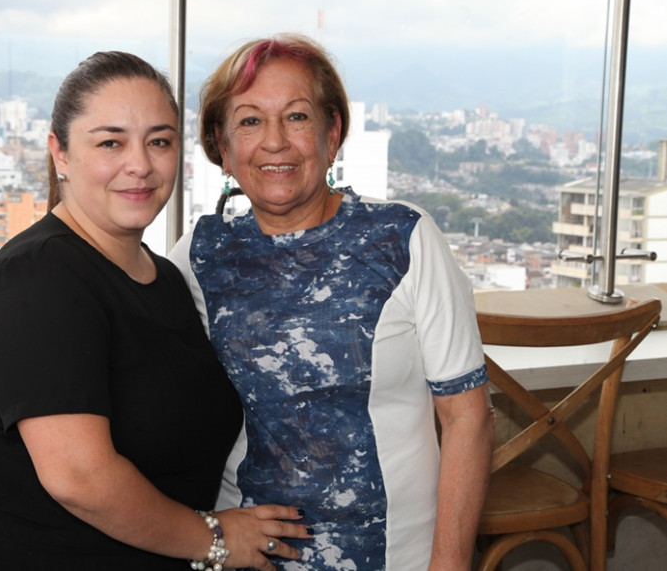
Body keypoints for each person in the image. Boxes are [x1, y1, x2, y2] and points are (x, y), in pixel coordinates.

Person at [0, 51, 310, 570]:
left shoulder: (165, 278)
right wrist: (215, 540)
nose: (141, 164)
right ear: (59, 153)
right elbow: (80, 479)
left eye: (159, 141)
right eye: (111, 142)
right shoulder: (38, 278)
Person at [169, 34, 494, 570]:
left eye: (296, 117)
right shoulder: (202, 254)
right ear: (222, 149)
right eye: (249, 121)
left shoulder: (401, 239)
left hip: (397, 554)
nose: (274, 141)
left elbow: (469, 420)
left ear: (332, 132)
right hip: (250, 554)